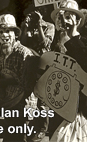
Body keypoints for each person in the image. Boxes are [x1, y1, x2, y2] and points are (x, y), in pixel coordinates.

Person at [49, 0, 87, 141]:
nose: (63, 21)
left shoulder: (86, 44)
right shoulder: (55, 46)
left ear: (77, 20)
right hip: (58, 109)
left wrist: (72, 37)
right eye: (60, 16)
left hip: (81, 110)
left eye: (68, 16)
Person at [0, 14, 36, 141]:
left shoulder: (24, 53)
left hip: (23, 106)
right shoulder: (4, 52)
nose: (4, 35)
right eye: (1, 32)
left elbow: (28, 83)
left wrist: (5, 81)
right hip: (9, 104)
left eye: (8, 31)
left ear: (15, 34)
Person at [20, 10, 55, 141]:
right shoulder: (28, 26)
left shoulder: (49, 26)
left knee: (43, 101)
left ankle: (42, 128)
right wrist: (25, 27)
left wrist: (39, 24)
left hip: (43, 66)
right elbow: (22, 43)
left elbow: (45, 43)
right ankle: (29, 125)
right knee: (29, 97)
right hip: (30, 65)